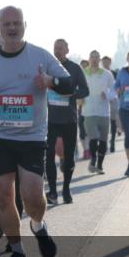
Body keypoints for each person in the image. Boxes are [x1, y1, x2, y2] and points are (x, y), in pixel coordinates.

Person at [0, 6, 72, 257]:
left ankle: (37, 225)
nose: (12, 28)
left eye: (16, 23)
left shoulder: (40, 56)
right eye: (7, 24)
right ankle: (16, 251)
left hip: (32, 138)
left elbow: (69, 85)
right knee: (3, 197)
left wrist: (50, 81)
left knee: (33, 197)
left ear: (25, 25)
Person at [44, 39, 89, 205]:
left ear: (67, 50)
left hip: (69, 119)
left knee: (69, 157)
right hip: (50, 119)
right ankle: (53, 192)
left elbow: (85, 90)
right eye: (55, 48)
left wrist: (71, 94)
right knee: (48, 156)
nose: (58, 51)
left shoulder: (75, 69)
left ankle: (66, 189)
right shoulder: (48, 67)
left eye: (61, 49)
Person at [82, 50, 117, 175]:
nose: (95, 59)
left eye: (97, 57)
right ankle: (93, 159)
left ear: (100, 59)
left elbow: (114, 91)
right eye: (92, 57)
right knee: (93, 137)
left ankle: (100, 165)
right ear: (89, 59)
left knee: (103, 140)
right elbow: (77, 88)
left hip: (103, 112)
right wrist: (79, 98)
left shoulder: (107, 74)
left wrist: (107, 95)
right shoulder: (83, 73)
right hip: (89, 111)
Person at [102, 55, 120, 152]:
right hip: (102, 100)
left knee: (113, 121)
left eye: (107, 61)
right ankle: (103, 143)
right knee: (104, 122)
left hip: (113, 99)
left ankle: (112, 141)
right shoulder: (100, 73)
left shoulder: (115, 73)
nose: (105, 63)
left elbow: (118, 86)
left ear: (110, 62)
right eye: (104, 61)